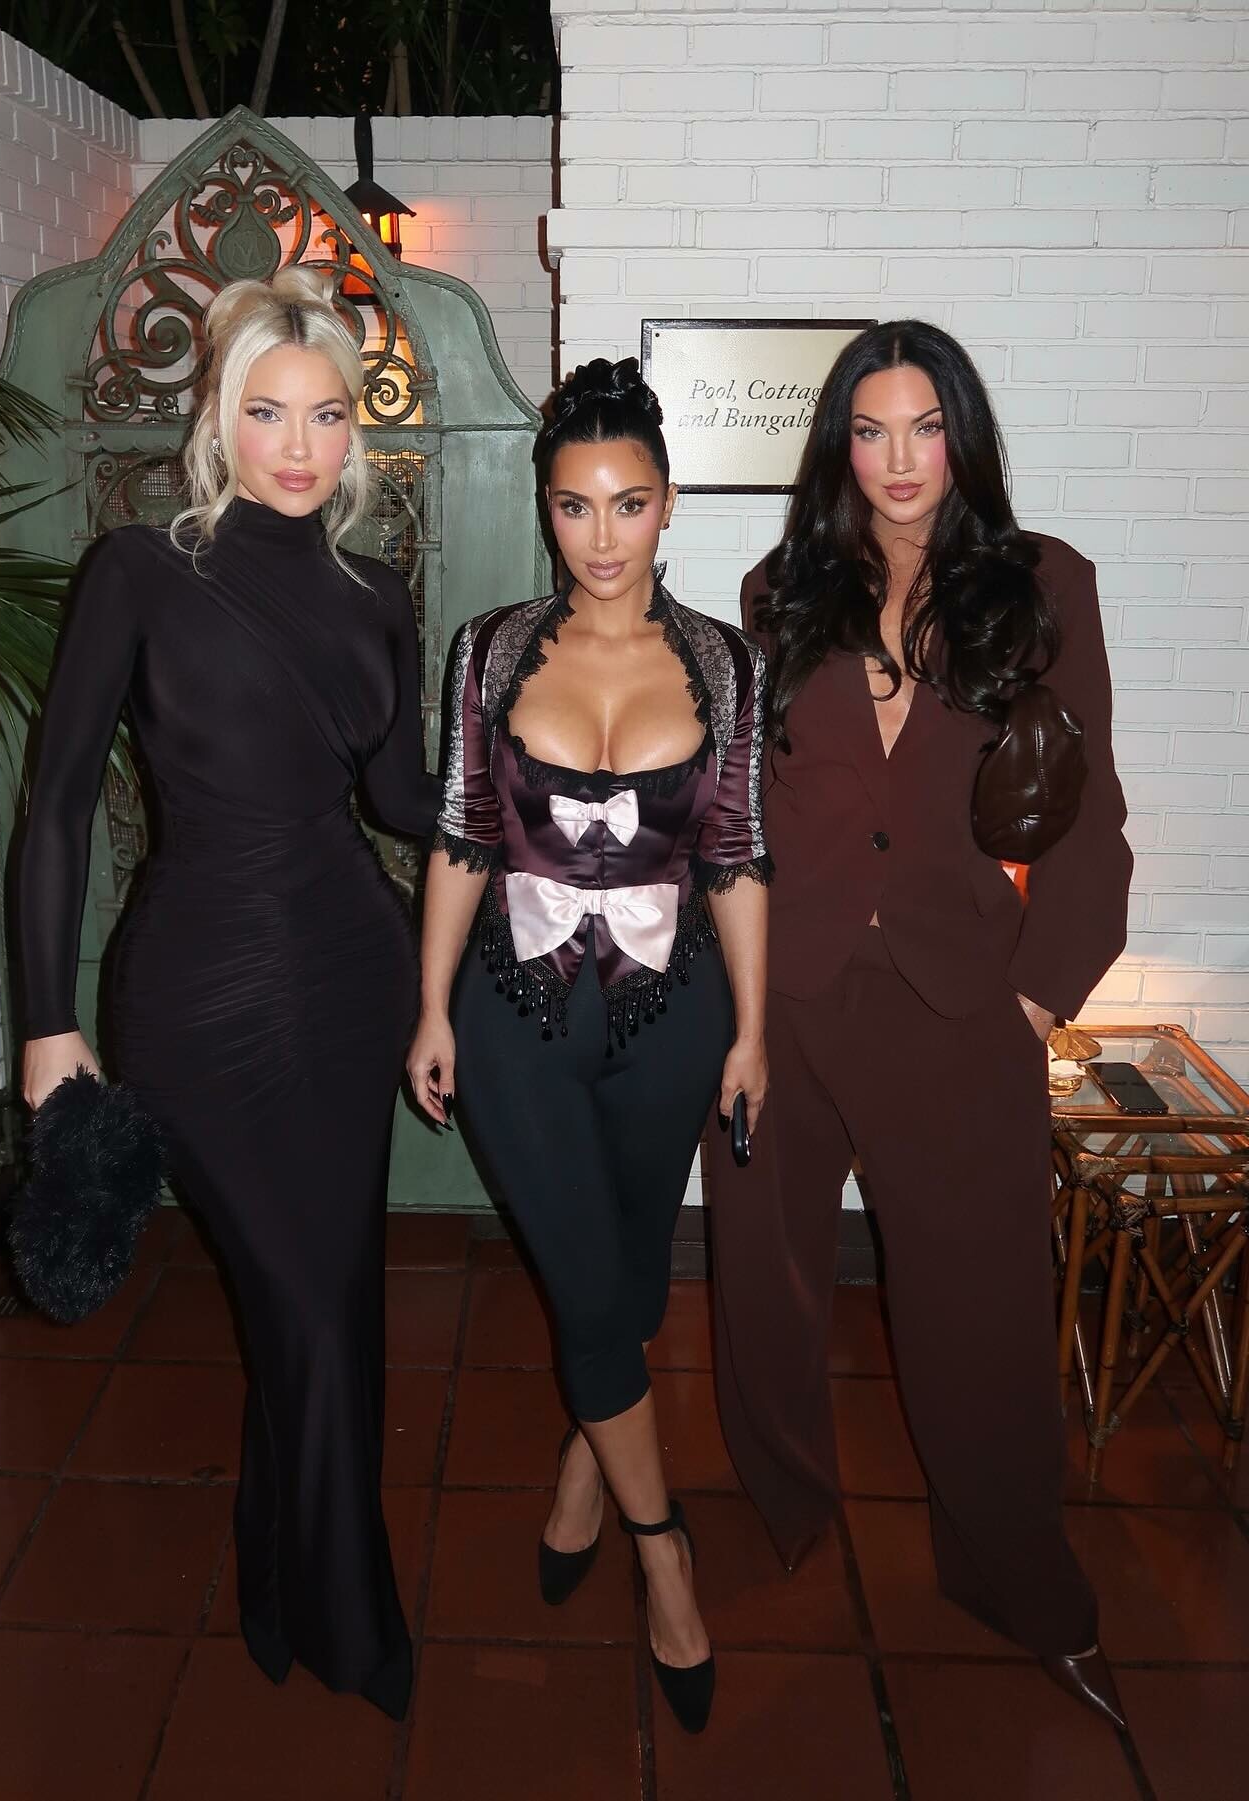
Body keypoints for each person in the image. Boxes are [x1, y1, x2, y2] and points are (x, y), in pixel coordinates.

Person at [14, 267, 439, 1720]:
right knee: (303, 1308)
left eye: (324, 415)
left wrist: (547, 784)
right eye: (267, 412)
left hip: (350, 972)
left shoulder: (381, 597)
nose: (298, 445)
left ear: (355, 429)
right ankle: (349, 1620)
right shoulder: (138, 572)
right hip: (196, 993)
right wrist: (48, 1024)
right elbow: (55, 806)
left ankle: (282, 1574)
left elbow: (402, 800)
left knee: (334, 1302)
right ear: (218, 418)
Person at [702, 319, 1133, 1727]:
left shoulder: (1044, 585)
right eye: (871, 430)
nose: (899, 459)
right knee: (764, 1279)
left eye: (925, 427)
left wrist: (1035, 995)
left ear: (963, 436)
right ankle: (784, 1506)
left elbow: (1091, 823)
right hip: (789, 996)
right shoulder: (782, 592)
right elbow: (747, 808)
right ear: (839, 445)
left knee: (981, 1314)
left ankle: (1017, 1577)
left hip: (957, 1000)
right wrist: (731, 994)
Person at [406, 358, 770, 1735]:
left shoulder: (725, 662)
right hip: (516, 1013)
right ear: (544, 506)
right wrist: (431, 1005)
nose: (601, 536)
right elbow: (461, 832)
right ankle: (663, 1550)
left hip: (676, 1016)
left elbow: (738, 853)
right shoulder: (491, 650)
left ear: (669, 504)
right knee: (581, 1267)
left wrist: (755, 1032)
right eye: (574, 505)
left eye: (628, 504)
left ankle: (585, 1467)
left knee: (626, 1274)